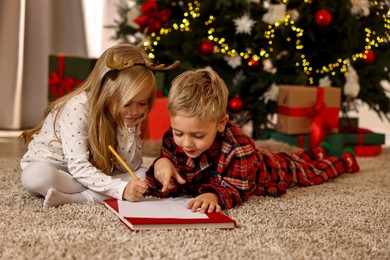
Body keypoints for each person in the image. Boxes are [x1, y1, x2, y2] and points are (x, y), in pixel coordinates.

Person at [145, 68, 360, 214]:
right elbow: (170, 173)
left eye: (198, 135)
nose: (187, 143)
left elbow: (237, 190)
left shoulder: (238, 149)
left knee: (307, 171)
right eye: (179, 132)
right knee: (297, 157)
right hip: (256, 163)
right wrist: (161, 164)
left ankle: (344, 160)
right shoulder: (174, 139)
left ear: (221, 123)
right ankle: (317, 151)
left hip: (270, 171)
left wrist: (214, 195)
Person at [20, 44, 179, 208]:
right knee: (36, 177)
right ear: (106, 92)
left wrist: (128, 130)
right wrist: (120, 189)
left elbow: (130, 166)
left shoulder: (130, 115)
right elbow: (78, 166)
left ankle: (76, 198)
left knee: (141, 175)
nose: (135, 111)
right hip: (56, 170)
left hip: (91, 173)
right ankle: (93, 192)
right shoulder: (77, 108)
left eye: (142, 103)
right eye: (127, 103)